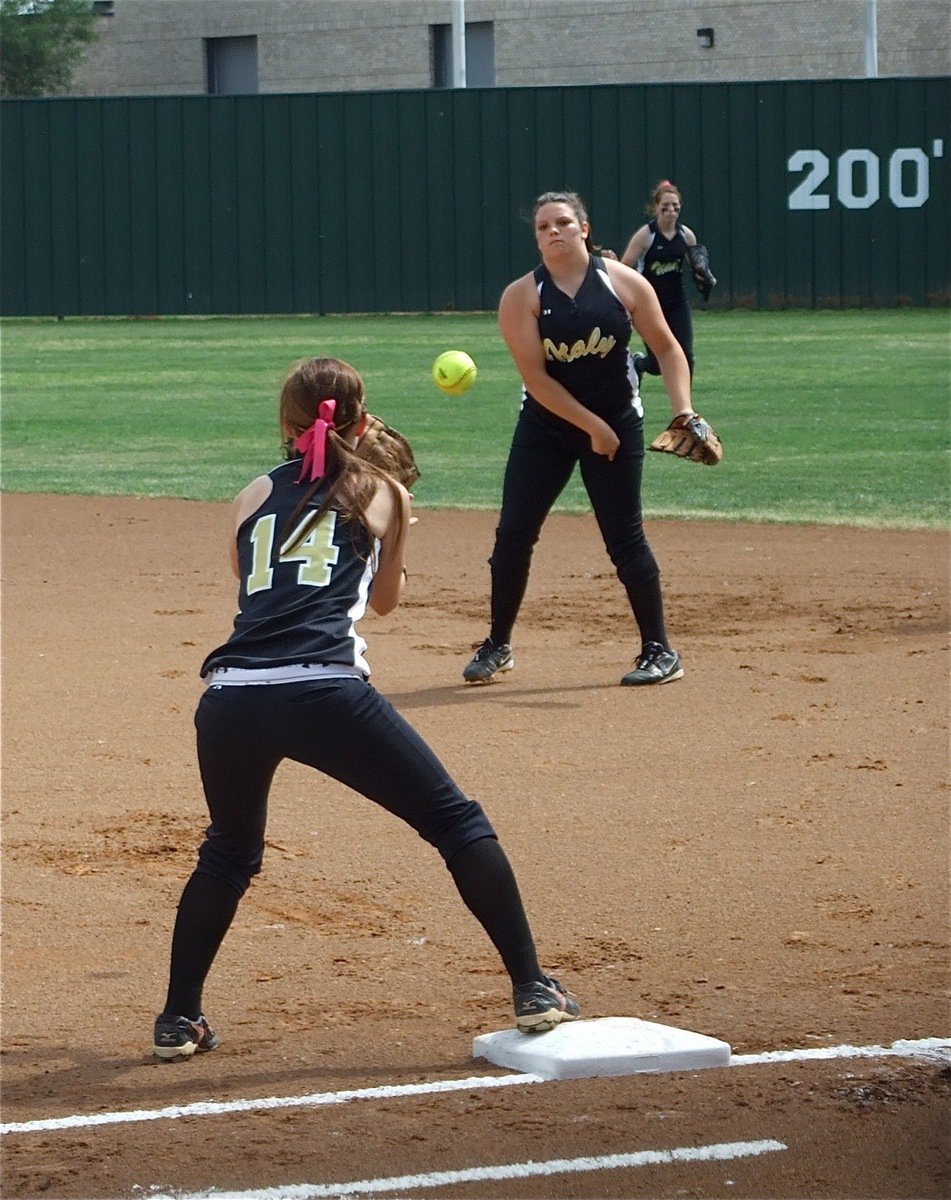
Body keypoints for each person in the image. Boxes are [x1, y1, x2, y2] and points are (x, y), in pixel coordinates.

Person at [153, 356, 579, 1059]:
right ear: (360, 416)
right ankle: (533, 986)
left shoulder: (251, 490)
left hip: (229, 697)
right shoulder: (381, 490)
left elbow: (250, 581)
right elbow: (381, 602)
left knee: (228, 854)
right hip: (324, 690)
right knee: (455, 822)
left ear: (288, 423)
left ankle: (178, 1019)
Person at [463, 190, 696, 688]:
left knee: (624, 537)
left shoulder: (624, 284)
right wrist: (593, 428)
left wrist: (684, 412)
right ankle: (498, 644)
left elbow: (670, 351)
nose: (553, 231)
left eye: (563, 222)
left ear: (584, 229)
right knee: (513, 535)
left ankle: (660, 650)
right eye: (543, 226)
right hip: (547, 426)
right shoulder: (522, 297)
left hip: (618, 418)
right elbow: (537, 380)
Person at [620, 179, 716, 383]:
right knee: (657, 363)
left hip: (677, 301)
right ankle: (639, 363)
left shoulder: (686, 235)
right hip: (650, 303)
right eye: (665, 206)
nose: (671, 210)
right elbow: (624, 267)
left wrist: (702, 276)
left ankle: (685, 410)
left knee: (686, 356)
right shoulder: (647, 236)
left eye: (675, 206)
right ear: (656, 208)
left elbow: (695, 266)